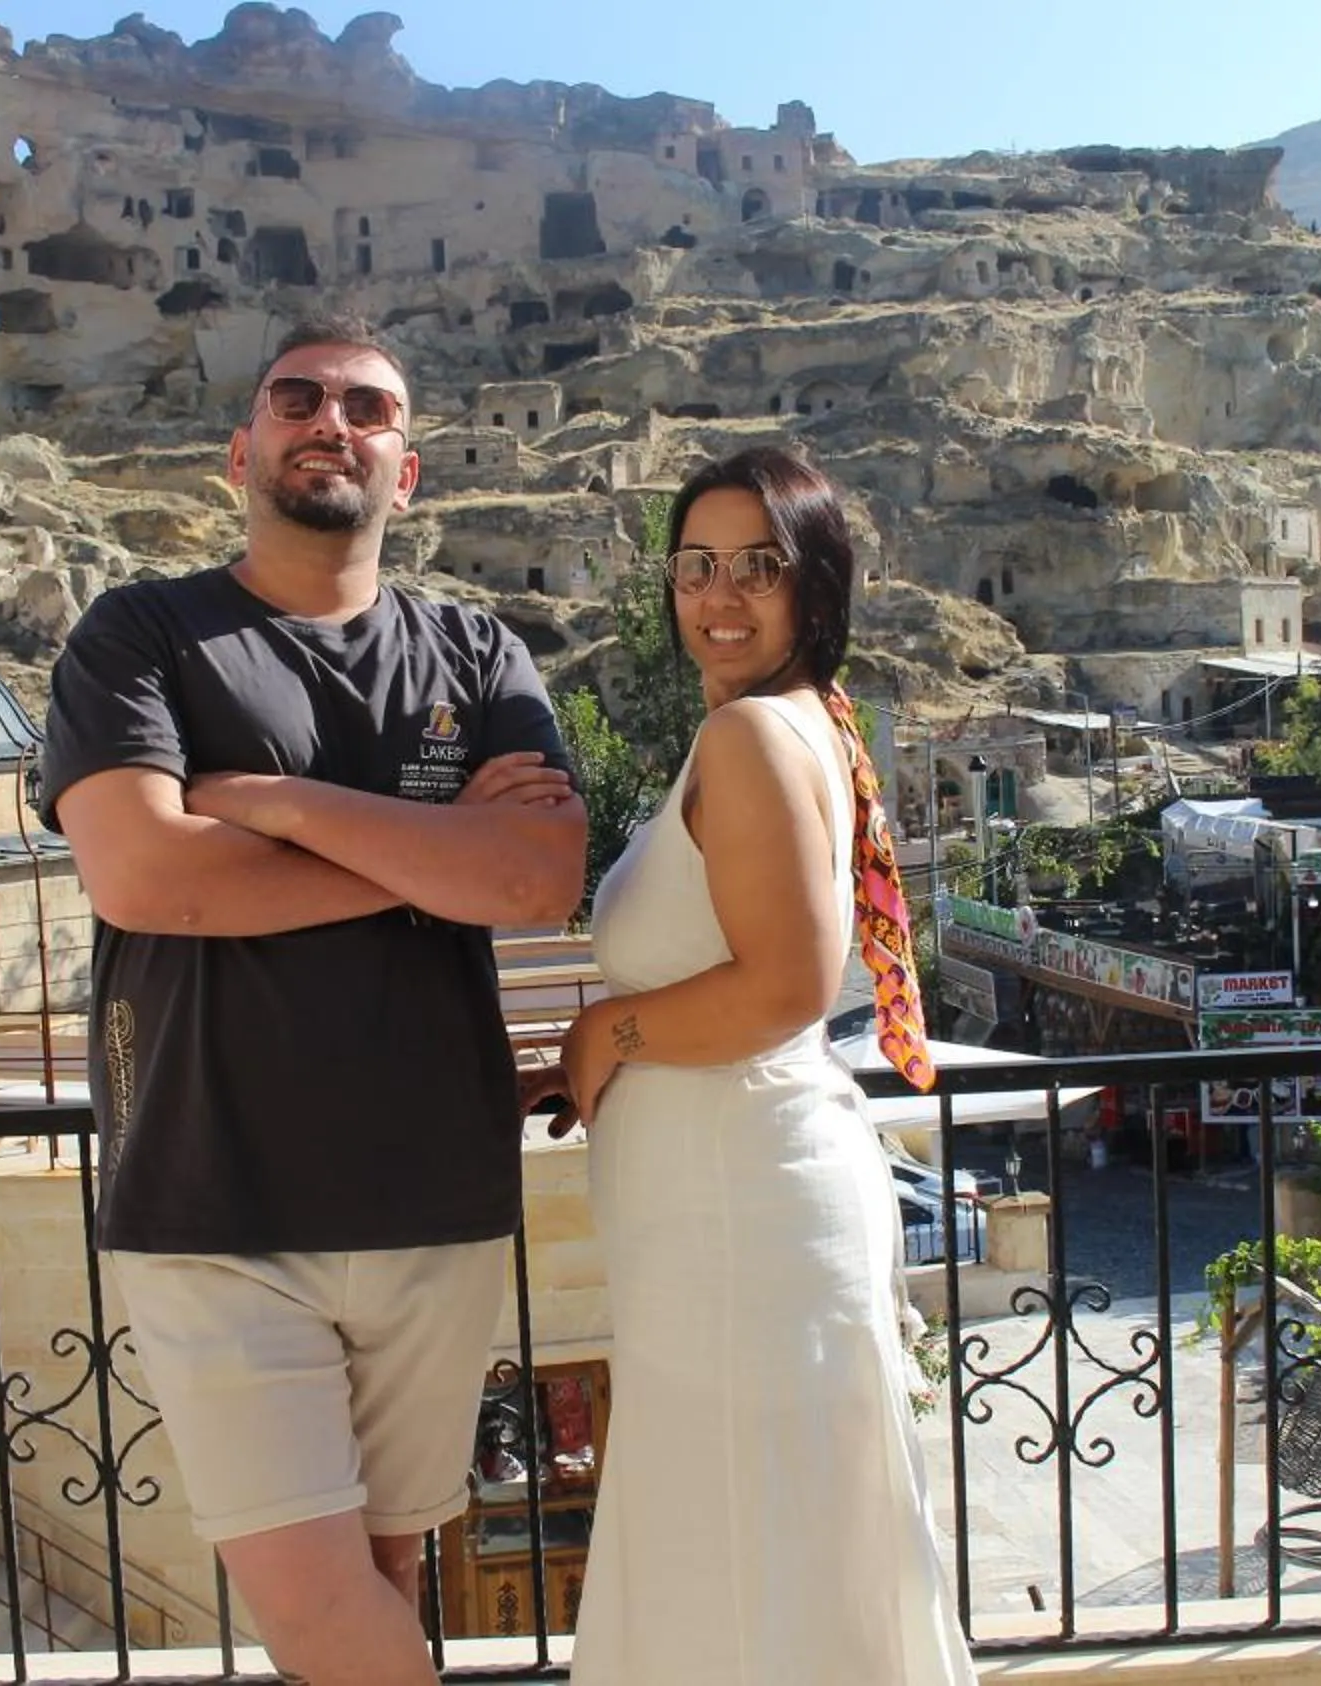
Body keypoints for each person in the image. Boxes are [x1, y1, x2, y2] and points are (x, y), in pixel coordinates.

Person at [40, 311, 588, 1686]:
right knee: (314, 1601)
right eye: (299, 396)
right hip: (212, 1194)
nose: (330, 419)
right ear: (242, 450)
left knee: (385, 1575)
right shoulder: (142, 636)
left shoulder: (475, 653)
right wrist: (430, 854)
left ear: (409, 472)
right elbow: (148, 877)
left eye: (368, 405)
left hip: (437, 1192)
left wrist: (278, 804)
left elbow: (536, 879)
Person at [529, 446, 978, 1684]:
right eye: (696, 566)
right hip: (737, 1205)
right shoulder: (785, 727)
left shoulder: (752, 743)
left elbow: (781, 991)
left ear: (815, 587)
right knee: (765, 1559)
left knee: (743, 1562)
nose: (718, 596)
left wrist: (599, 1035)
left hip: (743, 1213)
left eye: (758, 567)